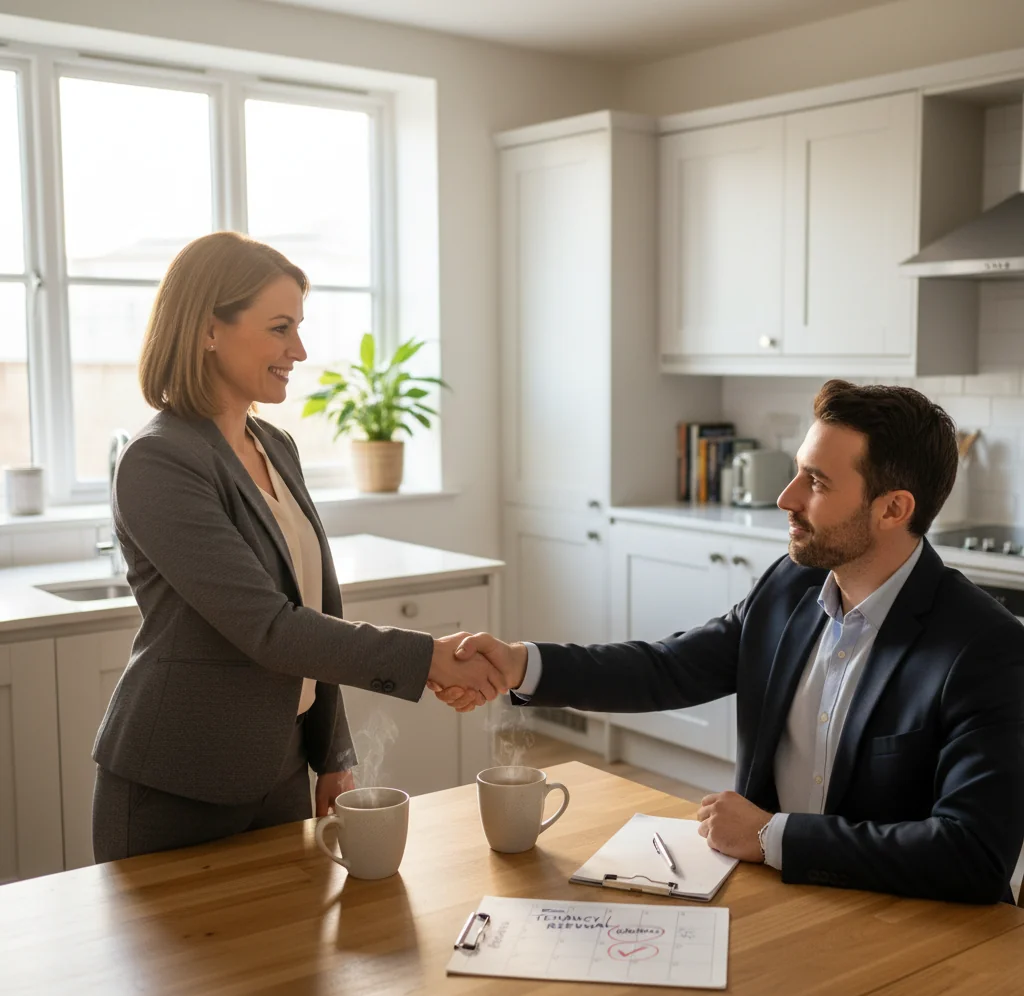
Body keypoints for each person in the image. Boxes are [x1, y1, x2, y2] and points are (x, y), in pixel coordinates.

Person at [430, 380, 1024, 904]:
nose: (786, 498)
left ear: (893, 509)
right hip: (780, 901)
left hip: (913, 931)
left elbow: (971, 855)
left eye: (815, 482)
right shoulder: (789, 587)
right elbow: (667, 668)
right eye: (798, 471)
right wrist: (518, 665)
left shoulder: (986, 648)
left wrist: (771, 836)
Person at [92, 232, 505, 862]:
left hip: (280, 772)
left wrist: (333, 755)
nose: (300, 350)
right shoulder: (159, 461)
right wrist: (427, 660)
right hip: (178, 784)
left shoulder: (274, 446)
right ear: (209, 330)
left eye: (299, 328)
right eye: (281, 328)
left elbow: (317, 609)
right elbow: (270, 628)